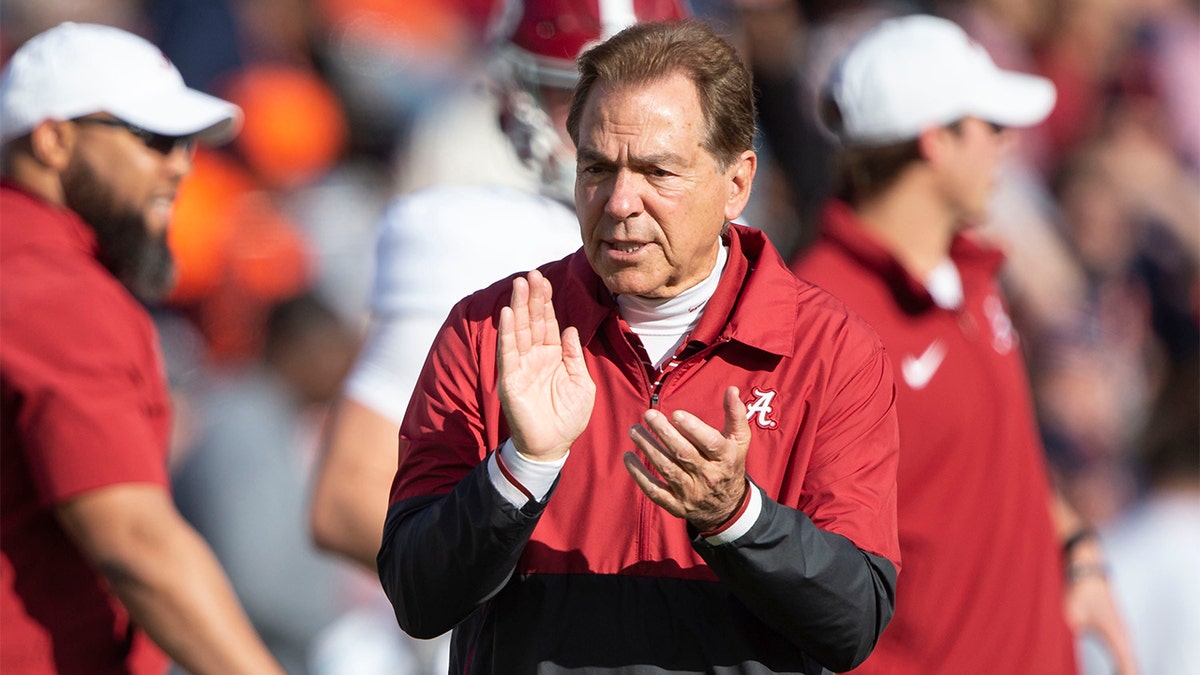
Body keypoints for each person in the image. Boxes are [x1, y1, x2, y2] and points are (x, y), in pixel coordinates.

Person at [377, 19, 901, 674]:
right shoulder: (489, 330)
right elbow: (417, 598)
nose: (621, 201)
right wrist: (522, 468)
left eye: (658, 170)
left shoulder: (831, 349)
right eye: (597, 167)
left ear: (737, 183)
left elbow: (853, 622)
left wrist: (737, 518)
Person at [789, 14, 1137, 674]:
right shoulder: (819, 318)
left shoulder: (973, 276)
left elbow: (998, 454)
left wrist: (1076, 550)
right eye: (991, 125)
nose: (1009, 143)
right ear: (934, 141)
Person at [0, 22, 284, 674]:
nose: (181, 165)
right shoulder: (54, 288)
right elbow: (134, 541)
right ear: (53, 139)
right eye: (154, 138)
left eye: (185, 143)